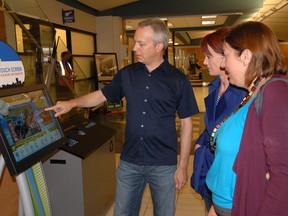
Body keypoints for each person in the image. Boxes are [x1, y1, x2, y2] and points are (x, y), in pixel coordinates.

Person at [46, 18, 199, 216]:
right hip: (130, 163)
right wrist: (72, 103)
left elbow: (187, 124)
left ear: (159, 46)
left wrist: (183, 166)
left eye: (141, 44)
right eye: (135, 42)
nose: (134, 48)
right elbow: (102, 95)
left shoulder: (178, 79)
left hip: (163, 164)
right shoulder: (127, 74)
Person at [206, 21, 288, 216]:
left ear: (246, 56)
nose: (223, 64)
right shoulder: (254, 92)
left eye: (225, 55)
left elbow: (283, 175)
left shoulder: (275, 93)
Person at [190, 27, 247, 212]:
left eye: (208, 56)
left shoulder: (244, 95)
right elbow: (211, 126)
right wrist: (199, 144)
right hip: (209, 169)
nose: (204, 61)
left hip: (230, 177)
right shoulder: (214, 87)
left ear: (225, 57)